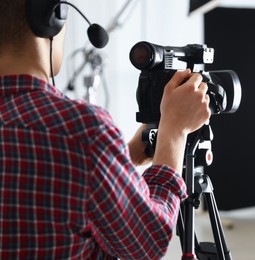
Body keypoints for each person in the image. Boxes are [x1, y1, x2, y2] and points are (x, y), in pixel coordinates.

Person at [0, 0, 211, 259]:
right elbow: (147, 241)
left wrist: (124, 157)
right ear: (52, 18)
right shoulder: (82, 130)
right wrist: (174, 132)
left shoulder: (79, 138)